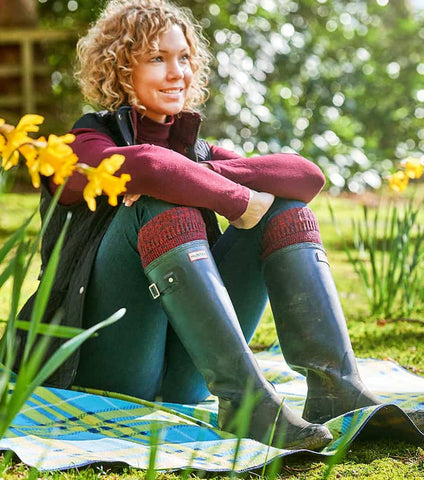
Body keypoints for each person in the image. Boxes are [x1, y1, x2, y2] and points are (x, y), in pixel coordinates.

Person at [16, 0, 381, 450]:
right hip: (103, 367)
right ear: (119, 69)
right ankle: (247, 402)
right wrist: (198, 186)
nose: (177, 72)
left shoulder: (197, 152)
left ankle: (335, 391)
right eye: (157, 58)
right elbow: (148, 166)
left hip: (188, 379)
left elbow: (305, 176)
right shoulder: (84, 144)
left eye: (183, 57)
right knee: (162, 204)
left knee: (286, 211)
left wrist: (199, 176)